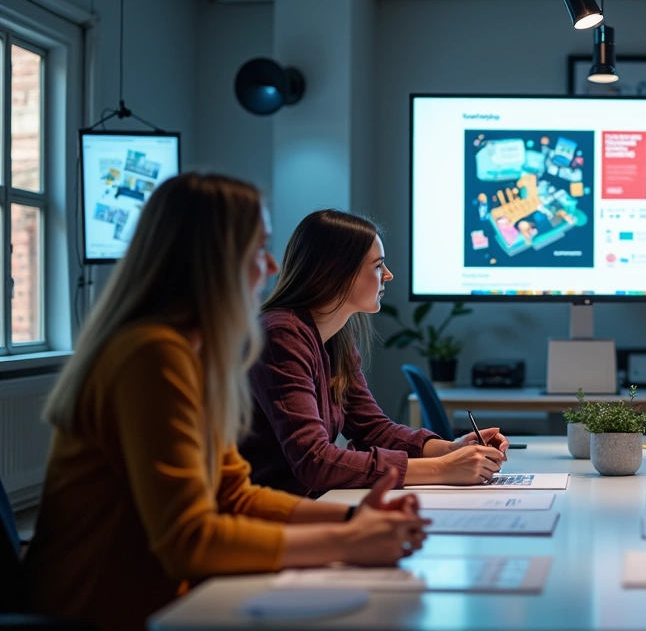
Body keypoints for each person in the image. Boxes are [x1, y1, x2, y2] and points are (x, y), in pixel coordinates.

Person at [21, 175, 429, 631]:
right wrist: (347, 541)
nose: (271, 266)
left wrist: (354, 518)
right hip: (99, 610)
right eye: (257, 250)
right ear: (210, 260)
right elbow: (189, 539)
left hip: (157, 598)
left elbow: (234, 494)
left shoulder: (190, 352)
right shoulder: (151, 355)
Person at [240, 209, 509, 497]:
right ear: (337, 272)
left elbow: (373, 430)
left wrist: (452, 449)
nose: (388, 275)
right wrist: (442, 468)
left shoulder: (336, 337)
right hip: (265, 513)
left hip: (305, 505)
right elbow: (314, 461)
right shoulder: (281, 335)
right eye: (378, 265)